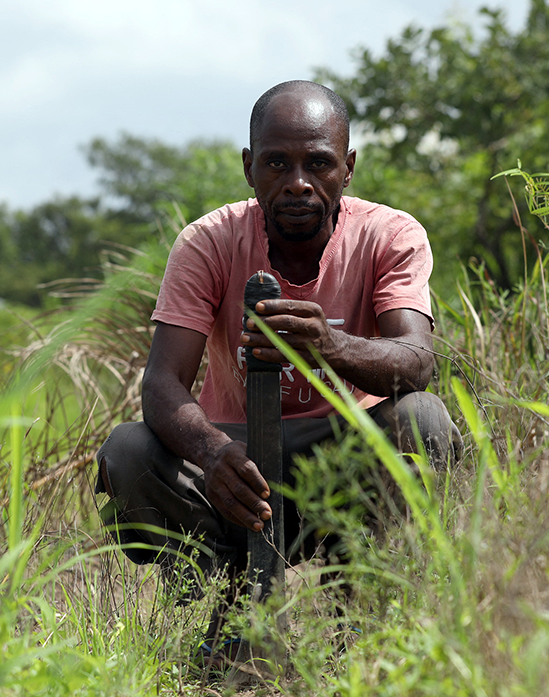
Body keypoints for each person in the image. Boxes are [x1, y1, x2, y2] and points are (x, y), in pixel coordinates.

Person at [94, 80, 462, 664]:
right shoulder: (209, 242)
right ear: (248, 168)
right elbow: (162, 384)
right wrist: (213, 453)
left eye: (318, 163)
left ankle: (359, 605)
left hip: (344, 455)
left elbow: (416, 362)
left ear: (348, 168)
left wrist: (329, 346)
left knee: (423, 420)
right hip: (236, 464)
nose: (297, 182)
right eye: (276, 163)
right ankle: (226, 600)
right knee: (128, 451)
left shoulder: (389, 235)